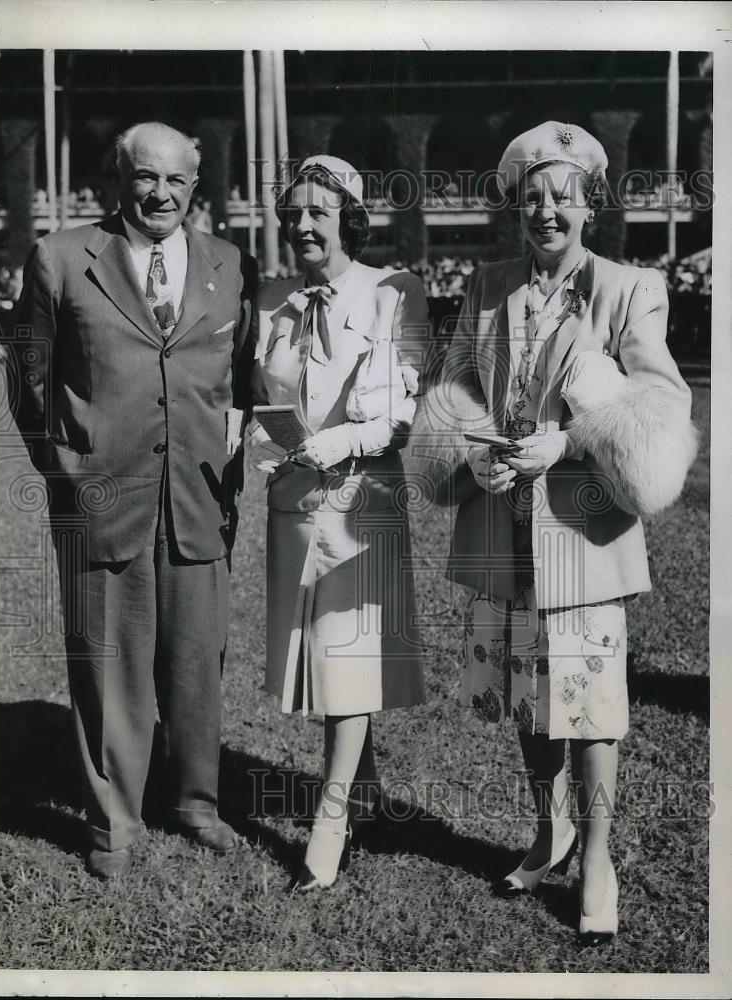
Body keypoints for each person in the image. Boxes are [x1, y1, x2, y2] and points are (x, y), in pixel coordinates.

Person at [410, 122, 696, 945]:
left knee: (593, 706)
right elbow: (456, 379)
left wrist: (565, 441)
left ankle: (598, 856)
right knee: (530, 702)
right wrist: (476, 453)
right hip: (504, 526)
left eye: (563, 196)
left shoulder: (629, 287)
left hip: (584, 529)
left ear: (589, 205)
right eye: (532, 196)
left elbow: (658, 401)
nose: (547, 211)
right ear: (515, 207)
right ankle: (551, 830)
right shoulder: (490, 283)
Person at [7, 121, 257, 879]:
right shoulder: (60, 258)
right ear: (117, 181)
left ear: (196, 188)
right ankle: (114, 819)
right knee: (107, 664)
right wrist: (67, 473)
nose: (161, 194)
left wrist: (229, 463)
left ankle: (194, 801)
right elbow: (28, 380)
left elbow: (242, 381)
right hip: (100, 498)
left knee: (195, 662)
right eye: (146, 178)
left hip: (196, 497)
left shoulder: (228, 264)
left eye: (177, 181)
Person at [246, 155, 428, 890]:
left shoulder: (393, 291)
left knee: (344, 653)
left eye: (319, 212)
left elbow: (400, 410)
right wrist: (261, 439)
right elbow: (259, 394)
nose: (302, 225)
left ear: (350, 218)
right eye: (292, 214)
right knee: (326, 658)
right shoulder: (270, 299)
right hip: (293, 499)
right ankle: (369, 791)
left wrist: (345, 440)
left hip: (363, 501)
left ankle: (331, 817)